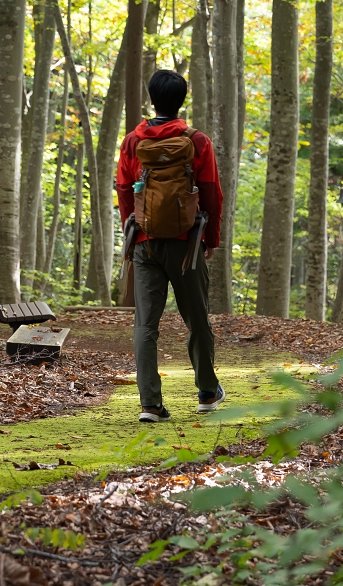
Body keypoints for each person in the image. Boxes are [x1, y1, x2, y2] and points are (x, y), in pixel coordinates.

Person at [116, 70, 224, 422]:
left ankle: (150, 404)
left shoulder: (133, 141)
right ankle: (206, 393)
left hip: (145, 243)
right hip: (186, 244)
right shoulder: (197, 141)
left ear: (151, 99)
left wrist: (133, 229)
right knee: (197, 319)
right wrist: (211, 239)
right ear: (182, 100)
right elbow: (211, 193)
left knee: (145, 325)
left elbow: (124, 190)